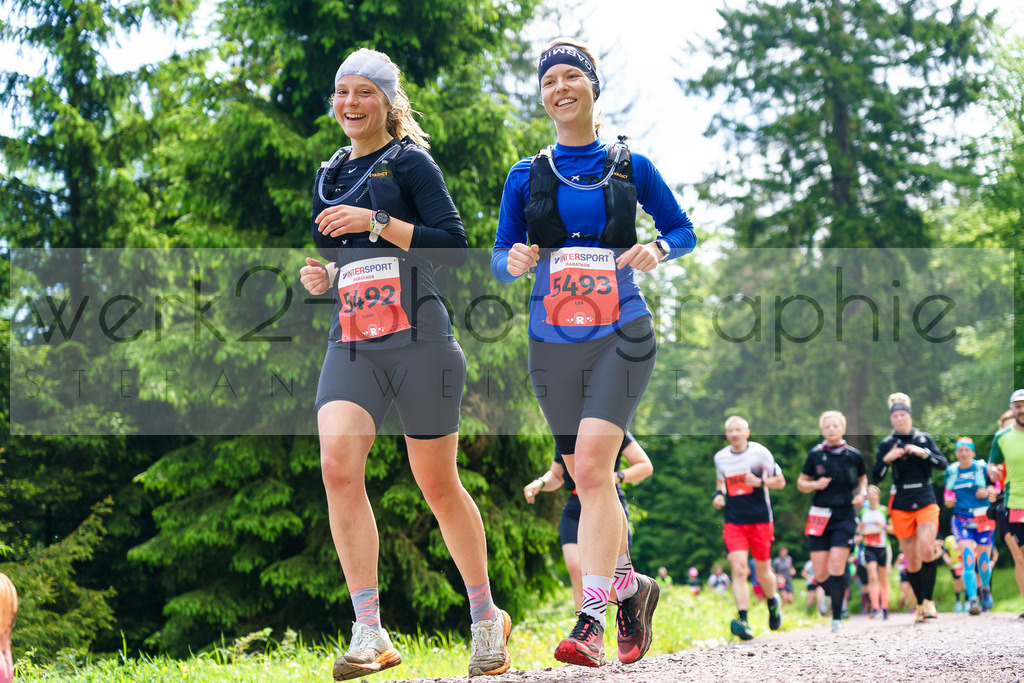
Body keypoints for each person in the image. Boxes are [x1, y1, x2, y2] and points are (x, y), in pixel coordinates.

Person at [300, 48, 510, 680]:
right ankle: (370, 630)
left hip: (422, 340)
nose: (350, 105)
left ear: (388, 102)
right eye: (342, 93)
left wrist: (379, 219)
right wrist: (323, 278)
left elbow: (454, 246)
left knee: (437, 484)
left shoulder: (410, 163)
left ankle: (484, 619)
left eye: (364, 93)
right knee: (338, 466)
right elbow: (346, 259)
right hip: (354, 341)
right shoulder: (330, 172)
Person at [491, 37, 697, 668]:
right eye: (549, 80)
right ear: (544, 96)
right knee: (587, 474)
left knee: (591, 470)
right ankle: (632, 586)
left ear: (591, 89)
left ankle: (589, 619)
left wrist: (656, 251)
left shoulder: (632, 166)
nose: (560, 88)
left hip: (622, 330)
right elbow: (502, 257)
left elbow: (682, 229)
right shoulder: (525, 174)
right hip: (551, 340)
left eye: (570, 77)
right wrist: (515, 259)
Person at [523, 434, 654, 612]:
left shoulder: (609, 424)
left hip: (607, 502)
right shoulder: (565, 429)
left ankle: (636, 606)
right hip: (576, 506)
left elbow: (645, 466)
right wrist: (540, 482)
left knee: (616, 583)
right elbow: (557, 474)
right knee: (577, 570)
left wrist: (613, 477)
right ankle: (584, 634)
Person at [872, 392, 947, 624]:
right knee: (912, 559)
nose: (899, 419)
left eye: (903, 414)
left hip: (925, 497)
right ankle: (920, 603)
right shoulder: (887, 443)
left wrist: (923, 453)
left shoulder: (923, 439)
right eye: (895, 415)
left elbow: (942, 464)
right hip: (902, 501)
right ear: (891, 419)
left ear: (909, 416)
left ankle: (929, 601)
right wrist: (888, 458)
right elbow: (876, 475)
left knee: (927, 549)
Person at [711, 416, 785, 640]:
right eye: (730, 430)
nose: (734, 434)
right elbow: (721, 481)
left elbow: (780, 482)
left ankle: (772, 601)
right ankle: (743, 619)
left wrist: (761, 482)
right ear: (727, 435)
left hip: (761, 519)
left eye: (738, 430)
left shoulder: (760, 454)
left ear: (747, 433)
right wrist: (719, 494)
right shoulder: (721, 457)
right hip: (734, 521)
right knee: (739, 568)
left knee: (763, 572)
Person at [796, 410, 868, 633]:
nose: (831, 429)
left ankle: (836, 618)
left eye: (835, 426)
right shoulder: (815, 455)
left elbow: (863, 479)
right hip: (819, 515)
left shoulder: (853, 455)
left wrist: (861, 494)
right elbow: (801, 482)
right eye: (827, 426)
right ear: (822, 430)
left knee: (837, 565)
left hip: (845, 515)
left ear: (843, 429)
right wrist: (814, 485)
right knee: (819, 573)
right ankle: (828, 593)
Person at [943, 436, 995, 615]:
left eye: (967, 450)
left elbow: (995, 489)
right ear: (956, 453)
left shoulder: (982, 468)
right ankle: (973, 600)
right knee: (967, 558)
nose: (963, 453)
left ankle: (985, 589)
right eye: (960, 450)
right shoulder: (951, 471)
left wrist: (987, 492)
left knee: (983, 562)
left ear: (972, 452)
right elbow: (947, 493)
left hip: (982, 517)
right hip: (961, 518)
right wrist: (948, 501)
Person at [988, 389, 1024, 620]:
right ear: (1012, 409)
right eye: (1018, 406)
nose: (1022, 410)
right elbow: (993, 468)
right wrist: (992, 473)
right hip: (1015, 503)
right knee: (1020, 558)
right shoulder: (1001, 437)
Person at [857, 485, 893, 619]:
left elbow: (892, 529)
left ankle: (885, 607)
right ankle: (875, 607)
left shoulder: (884, 510)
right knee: (872, 576)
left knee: (883, 578)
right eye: (869, 494)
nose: (870, 496)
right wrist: (859, 531)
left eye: (873, 493)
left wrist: (882, 526)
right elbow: (859, 530)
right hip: (868, 547)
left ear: (878, 495)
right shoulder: (863, 512)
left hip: (883, 547)